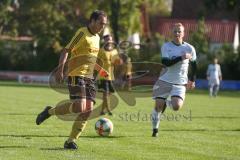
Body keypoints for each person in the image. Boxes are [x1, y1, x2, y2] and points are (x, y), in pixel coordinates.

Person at [35, 10, 108, 149]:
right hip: (76, 75)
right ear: (92, 21)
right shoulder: (81, 33)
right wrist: (60, 69)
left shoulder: (97, 38)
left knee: (87, 110)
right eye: (100, 23)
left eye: (104, 24)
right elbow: (66, 50)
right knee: (80, 106)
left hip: (89, 78)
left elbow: (90, 59)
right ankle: (49, 112)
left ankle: (70, 141)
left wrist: (101, 70)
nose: (102, 27)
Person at [151, 23, 197, 137]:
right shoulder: (166, 46)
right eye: (175, 31)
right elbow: (166, 63)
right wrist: (181, 57)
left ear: (183, 33)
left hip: (180, 83)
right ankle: (155, 130)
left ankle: (167, 102)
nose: (177, 33)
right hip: (164, 81)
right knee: (158, 106)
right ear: (172, 33)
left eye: (179, 31)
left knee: (176, 107)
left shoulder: (190, 48)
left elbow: (195, 65)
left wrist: (192, 80)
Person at [97, 34, 122, 115]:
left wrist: (119, 62)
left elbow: (117, 62)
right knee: (105, 94)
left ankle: (102, 110)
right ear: (104, 41)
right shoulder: (100, 51)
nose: (109, 41)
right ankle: (108, 109)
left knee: (110, 93)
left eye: (110, 40)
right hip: (102, 75)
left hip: (111, 76)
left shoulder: (115, 51)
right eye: (107, 40)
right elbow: (96, 63)